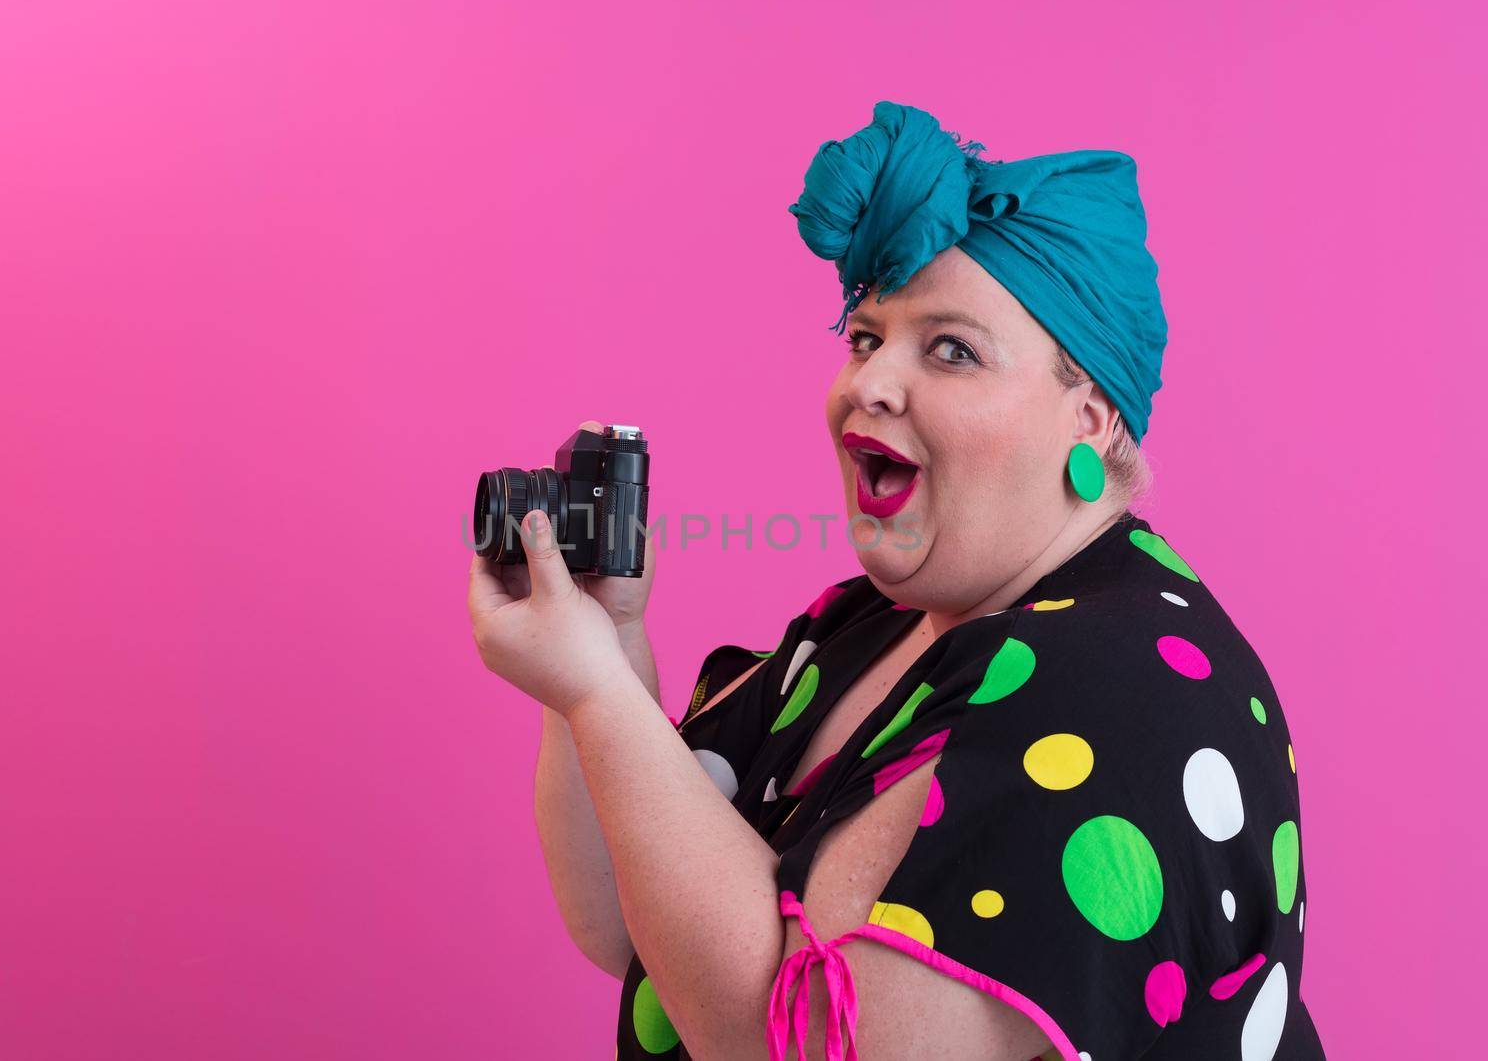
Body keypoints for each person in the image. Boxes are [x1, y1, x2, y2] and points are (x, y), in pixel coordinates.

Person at [467, 100, 1324, 1060]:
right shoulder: (870, 622)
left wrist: (596, 694)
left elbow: (792, 1041)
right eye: (867, 337)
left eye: (952, 348)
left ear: (1089, 418)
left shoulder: (1130, 691)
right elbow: (631, 925)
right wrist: (603, 653)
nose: (868, 383)